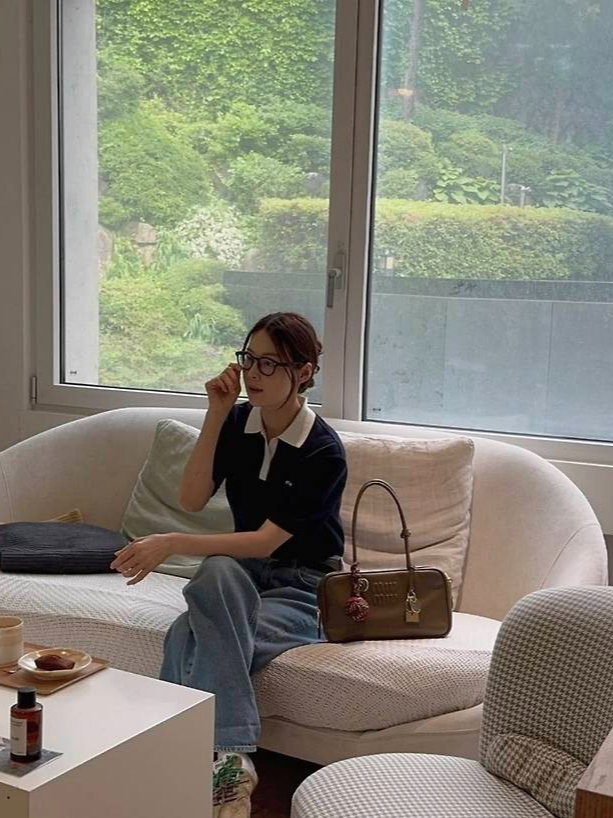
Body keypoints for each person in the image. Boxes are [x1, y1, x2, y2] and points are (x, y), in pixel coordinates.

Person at [110, 312, 347, 818]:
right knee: (216, 570)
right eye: (249, 359)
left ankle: (189, 756)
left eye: (270, 363)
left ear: (304, 372)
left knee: (189, 634)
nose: (254, 373)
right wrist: (215, 414)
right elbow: (192, 498)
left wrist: (171, 542)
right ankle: (232, 763)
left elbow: (264, 542)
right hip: (242, 576)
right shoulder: (238, 422)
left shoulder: (323, 452)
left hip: (305, 587)